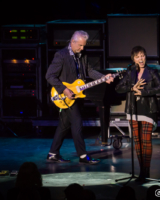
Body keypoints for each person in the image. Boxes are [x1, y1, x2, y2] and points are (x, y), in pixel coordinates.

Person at [46, 30, 114, 164]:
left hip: (77, 96)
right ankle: (83, 156)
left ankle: (53, 153)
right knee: (77, 125)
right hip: (66, 96)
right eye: (80, 45)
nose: (82, 48)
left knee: (64, 125)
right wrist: (64, 90)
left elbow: (89, 70)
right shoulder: (61, 55)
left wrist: (103, 77)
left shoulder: (82, 55)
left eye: (84, 46)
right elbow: (49, 75)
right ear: (72, 42)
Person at [115, 46, 160, 183]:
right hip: (133, 109)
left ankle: (146, 171)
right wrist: (132, 88)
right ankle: (141, 170)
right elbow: (118, 88)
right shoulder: (130, 72)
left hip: (148, 109)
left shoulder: (151, 71)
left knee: (146, 140)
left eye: (142, 56)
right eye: (138, 57)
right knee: (137, 141)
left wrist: (144, 92)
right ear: (134, 59)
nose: (141, 59)